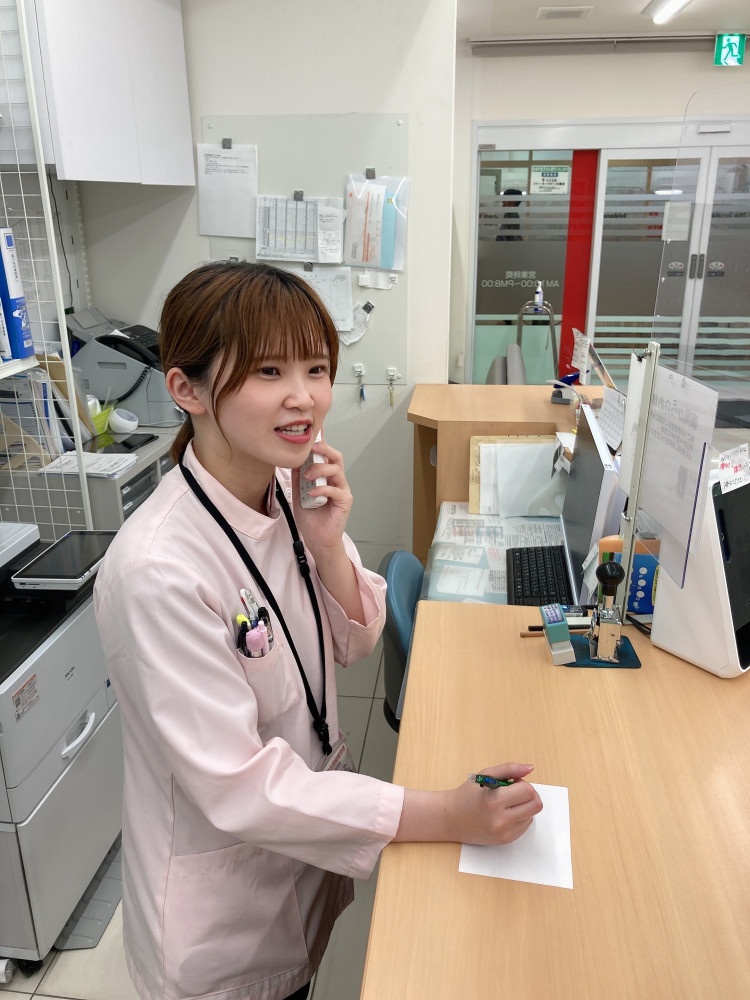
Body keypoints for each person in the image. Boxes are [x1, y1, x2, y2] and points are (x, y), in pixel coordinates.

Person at [93, 261, 543, 1000]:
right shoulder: (158, 569)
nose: (303, 396)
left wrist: (327, 544)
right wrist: (440, 813)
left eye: (317, 368)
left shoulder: (283, 488)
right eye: (269, 371)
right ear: (187, 390)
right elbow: (239, 786)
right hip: (224, 925)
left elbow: (354, 642)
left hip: (296, 864)